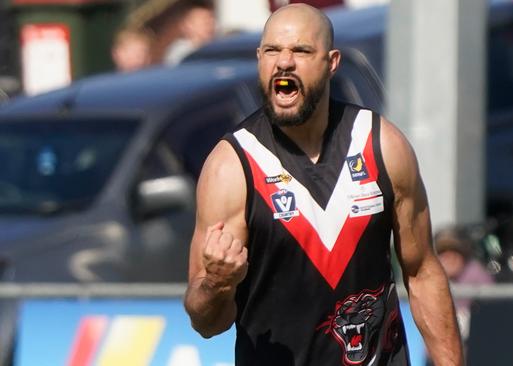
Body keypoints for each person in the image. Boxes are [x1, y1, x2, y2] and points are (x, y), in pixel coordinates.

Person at [183, 4, 463, 366]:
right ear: (259, 59)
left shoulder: (381, 145)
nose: (284, 63)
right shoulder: (232, 166)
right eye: (272, 51)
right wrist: (218, 285)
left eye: (300, 51)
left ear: (331, 62)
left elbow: (423, 272)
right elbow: (206, 323)